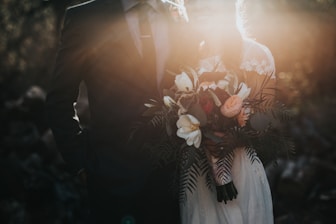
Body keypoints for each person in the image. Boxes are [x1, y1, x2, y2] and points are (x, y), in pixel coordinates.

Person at [45, 0, 182, 223]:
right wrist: (81, 163)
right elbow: (59, 99)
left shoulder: (177, 15)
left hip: (173, 182)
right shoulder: (86, 19)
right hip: (111, 181)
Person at [178, 0, 276, 223]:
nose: (197, 6)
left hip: (241, 170)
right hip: (196, 178)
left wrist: (227, 132)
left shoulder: (255, 54)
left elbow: (266, 121)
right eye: (190, 2)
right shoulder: (183, 59)